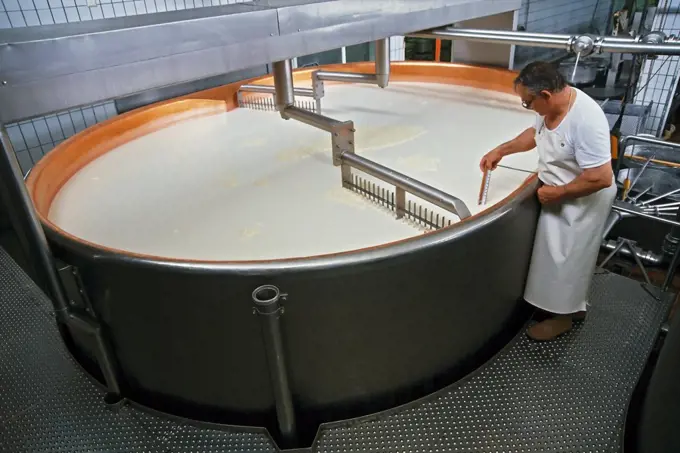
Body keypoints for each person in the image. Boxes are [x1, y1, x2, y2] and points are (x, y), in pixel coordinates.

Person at [480, 61, 616, 341]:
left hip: (582, 199)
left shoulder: (586, 121)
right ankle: (570, 307)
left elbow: (601, 177)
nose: (526, 106)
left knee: (568, 258)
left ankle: (563, 318)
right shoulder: (551, 106)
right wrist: (501, 150)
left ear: (546, 95)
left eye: (527, 102)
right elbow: (534, 135)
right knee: (556, 256)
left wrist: (560, 192)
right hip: (561, 193)